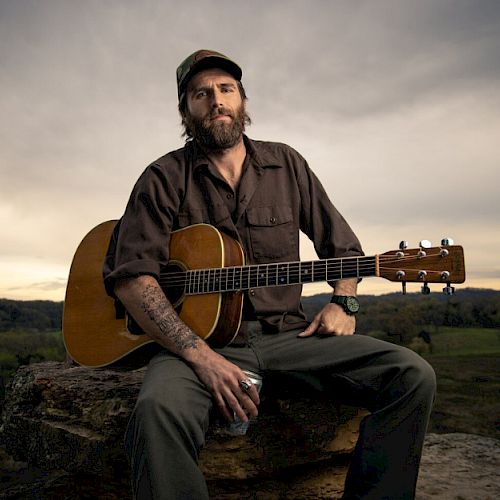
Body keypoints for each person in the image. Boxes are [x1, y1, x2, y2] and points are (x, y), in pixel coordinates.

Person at [103, 49, 436, 500]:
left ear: (242, 100)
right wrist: (202, 357)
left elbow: (344, 249)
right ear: (186, 110)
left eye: (226, 89)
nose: (216, 100)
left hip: (291, 337)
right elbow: (132, 279)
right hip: (199, 343)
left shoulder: (287, 164)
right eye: (201, 94)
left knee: (412, 374)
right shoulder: (162, 178)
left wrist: (345, 301)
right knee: (156, 411)